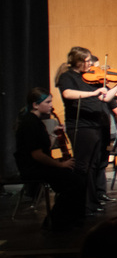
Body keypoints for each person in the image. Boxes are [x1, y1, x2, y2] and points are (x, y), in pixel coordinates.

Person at [55, 46, 117, 212]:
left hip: (97, 125)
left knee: (94, 165)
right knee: (84, 166)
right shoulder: (67, 76)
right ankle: (82, 204)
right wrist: (92, 94)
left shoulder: (90, 78)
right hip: (81, 125)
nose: (90, 64)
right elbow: (67, 94)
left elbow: (107, 97)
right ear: (78, 62)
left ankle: (92, 202)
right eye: (86, 61)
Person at [14, 87, 86, 229]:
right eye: (47, 102)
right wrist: (60, 165)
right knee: (75, 182)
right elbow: (37, 155)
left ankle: (66, 219)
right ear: (35, 105)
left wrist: (54, 134)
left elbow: (45, 149)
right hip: (33, 168)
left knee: (77, 177)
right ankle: (56, 221)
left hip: (39, 166)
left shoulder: (36, 121)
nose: (51, 105)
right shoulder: (30, 123)